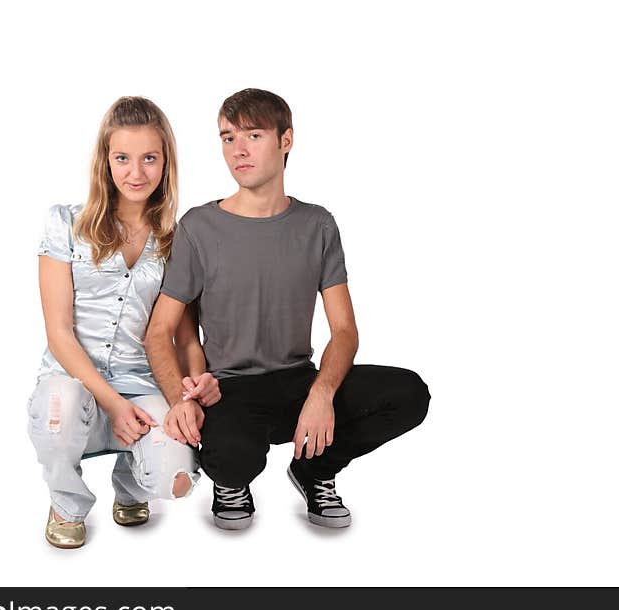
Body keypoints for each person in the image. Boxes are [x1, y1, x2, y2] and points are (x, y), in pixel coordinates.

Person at [147, 88, 430, 530]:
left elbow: (344, 331)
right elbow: (160, 331)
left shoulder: (317, 225)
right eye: (226, 138)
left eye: (253, 135)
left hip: (299, 383)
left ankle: (314, 470)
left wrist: (321, 393)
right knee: (230, 458)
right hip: (229, 389)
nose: (237, 150)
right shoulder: (199, 227)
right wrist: (178, 399)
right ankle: (232, 481)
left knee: (409, 393)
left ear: (286, 140)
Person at [28, 96, 219, 549]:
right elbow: (58, 332)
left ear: (165, 162)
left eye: (149, 158)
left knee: (175, 481)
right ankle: (67, 503)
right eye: (123, 158)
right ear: (105, 161)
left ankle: (131, 483)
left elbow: (185, 334)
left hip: (144, 381)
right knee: (60, 413)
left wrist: (193, 388)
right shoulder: (65, 223)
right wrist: (113, 404)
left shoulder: (179, 241)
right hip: (72, 377)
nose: (136, 173)